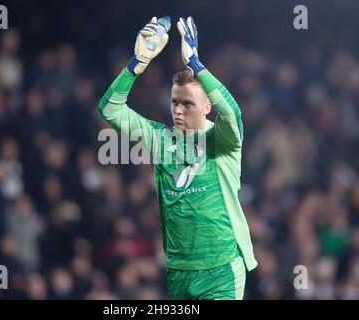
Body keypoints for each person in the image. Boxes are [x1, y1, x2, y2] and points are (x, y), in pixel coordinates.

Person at [98, 16, 257, 300]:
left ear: (207, 106)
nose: (178, 110)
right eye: (175, 102)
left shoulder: (221, 140)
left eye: (188, 103)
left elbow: (233, 113)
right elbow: (110, 109)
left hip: (220, 268)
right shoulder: (160, 139)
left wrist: (197, 65)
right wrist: (136, 65)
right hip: (178, 270)